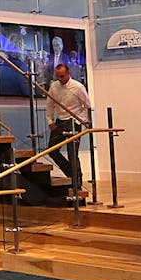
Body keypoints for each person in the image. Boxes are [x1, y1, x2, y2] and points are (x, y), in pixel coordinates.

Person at [46, 63, 92, 196]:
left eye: (62, 76)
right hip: (60, 121)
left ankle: (77, 182)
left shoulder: (78, 87)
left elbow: (87, 105)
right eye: (58, 76)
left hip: (73, 120)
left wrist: (80, 119)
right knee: (52, 149)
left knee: (73, 153)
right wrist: (50, 121)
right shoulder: (54, 86)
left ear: (68, 74)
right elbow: (50, 105)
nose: (60, 79)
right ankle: (71, 173)